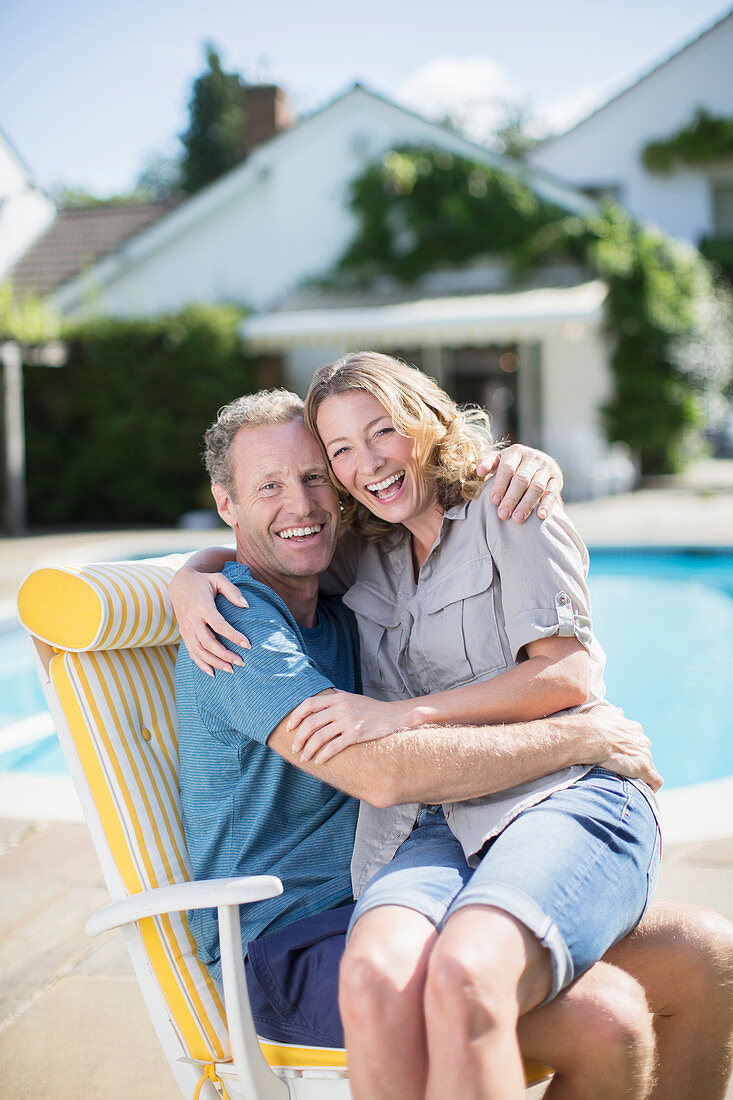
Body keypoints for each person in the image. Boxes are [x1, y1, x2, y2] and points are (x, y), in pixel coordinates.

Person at [174, 387, 733, 1100]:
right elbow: (379, 774)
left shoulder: (341, 589)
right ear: (228, 502)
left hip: (405, 887)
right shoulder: (239, 623)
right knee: (605, 1022)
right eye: (269, 486)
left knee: (702, 954)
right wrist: (575, 737)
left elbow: (434, 494)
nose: (303, 504)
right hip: (290, 944)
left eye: (317, 475)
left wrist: (524, 463)